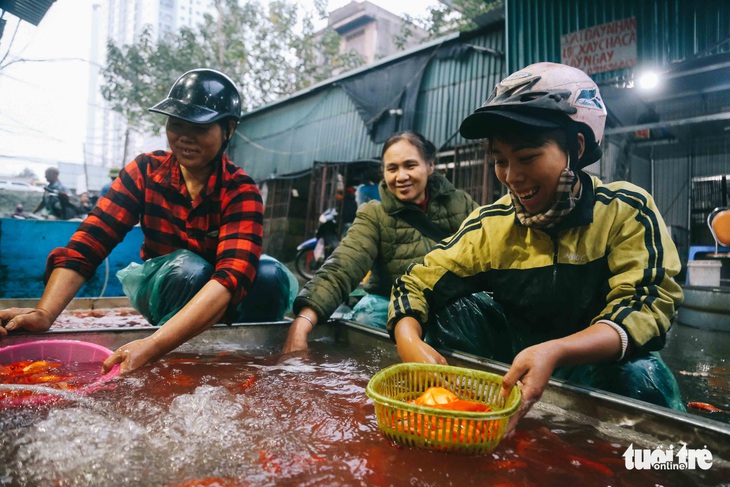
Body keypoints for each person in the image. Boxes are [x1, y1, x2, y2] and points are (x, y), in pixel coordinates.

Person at [388, 62, 686, 428]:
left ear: (576, 147)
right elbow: (414, 282)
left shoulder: (625, 211)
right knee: (446, 313)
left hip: (592, 366)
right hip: (513, 362)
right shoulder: (492, 224)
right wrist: (409, 341)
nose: (512, 177)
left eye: (527, 157)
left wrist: (557, 351)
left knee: (643, 378)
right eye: (500, 161)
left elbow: (648, 303)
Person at [0, 68, 296, 373]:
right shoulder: (144, 172)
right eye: (176, 124)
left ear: (229, 129)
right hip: (169, 287)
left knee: (270, 274)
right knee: (189, 270)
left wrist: (151, 346)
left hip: (220, 301)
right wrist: (45, 312)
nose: (184, 138)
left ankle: (249, 362)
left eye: (200, 128)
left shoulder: (241, 190)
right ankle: (177, 356)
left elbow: (230, 279)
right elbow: (90, 241)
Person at [283, 131, 478, 353]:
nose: (401, 176)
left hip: (452, 308)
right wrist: (302, 323)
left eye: (410, 165)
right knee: (365, 316)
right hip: (389, 308)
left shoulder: (460, 204)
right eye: (392, 169)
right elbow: (343, 265)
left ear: (430, 166)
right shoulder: (374, 214)